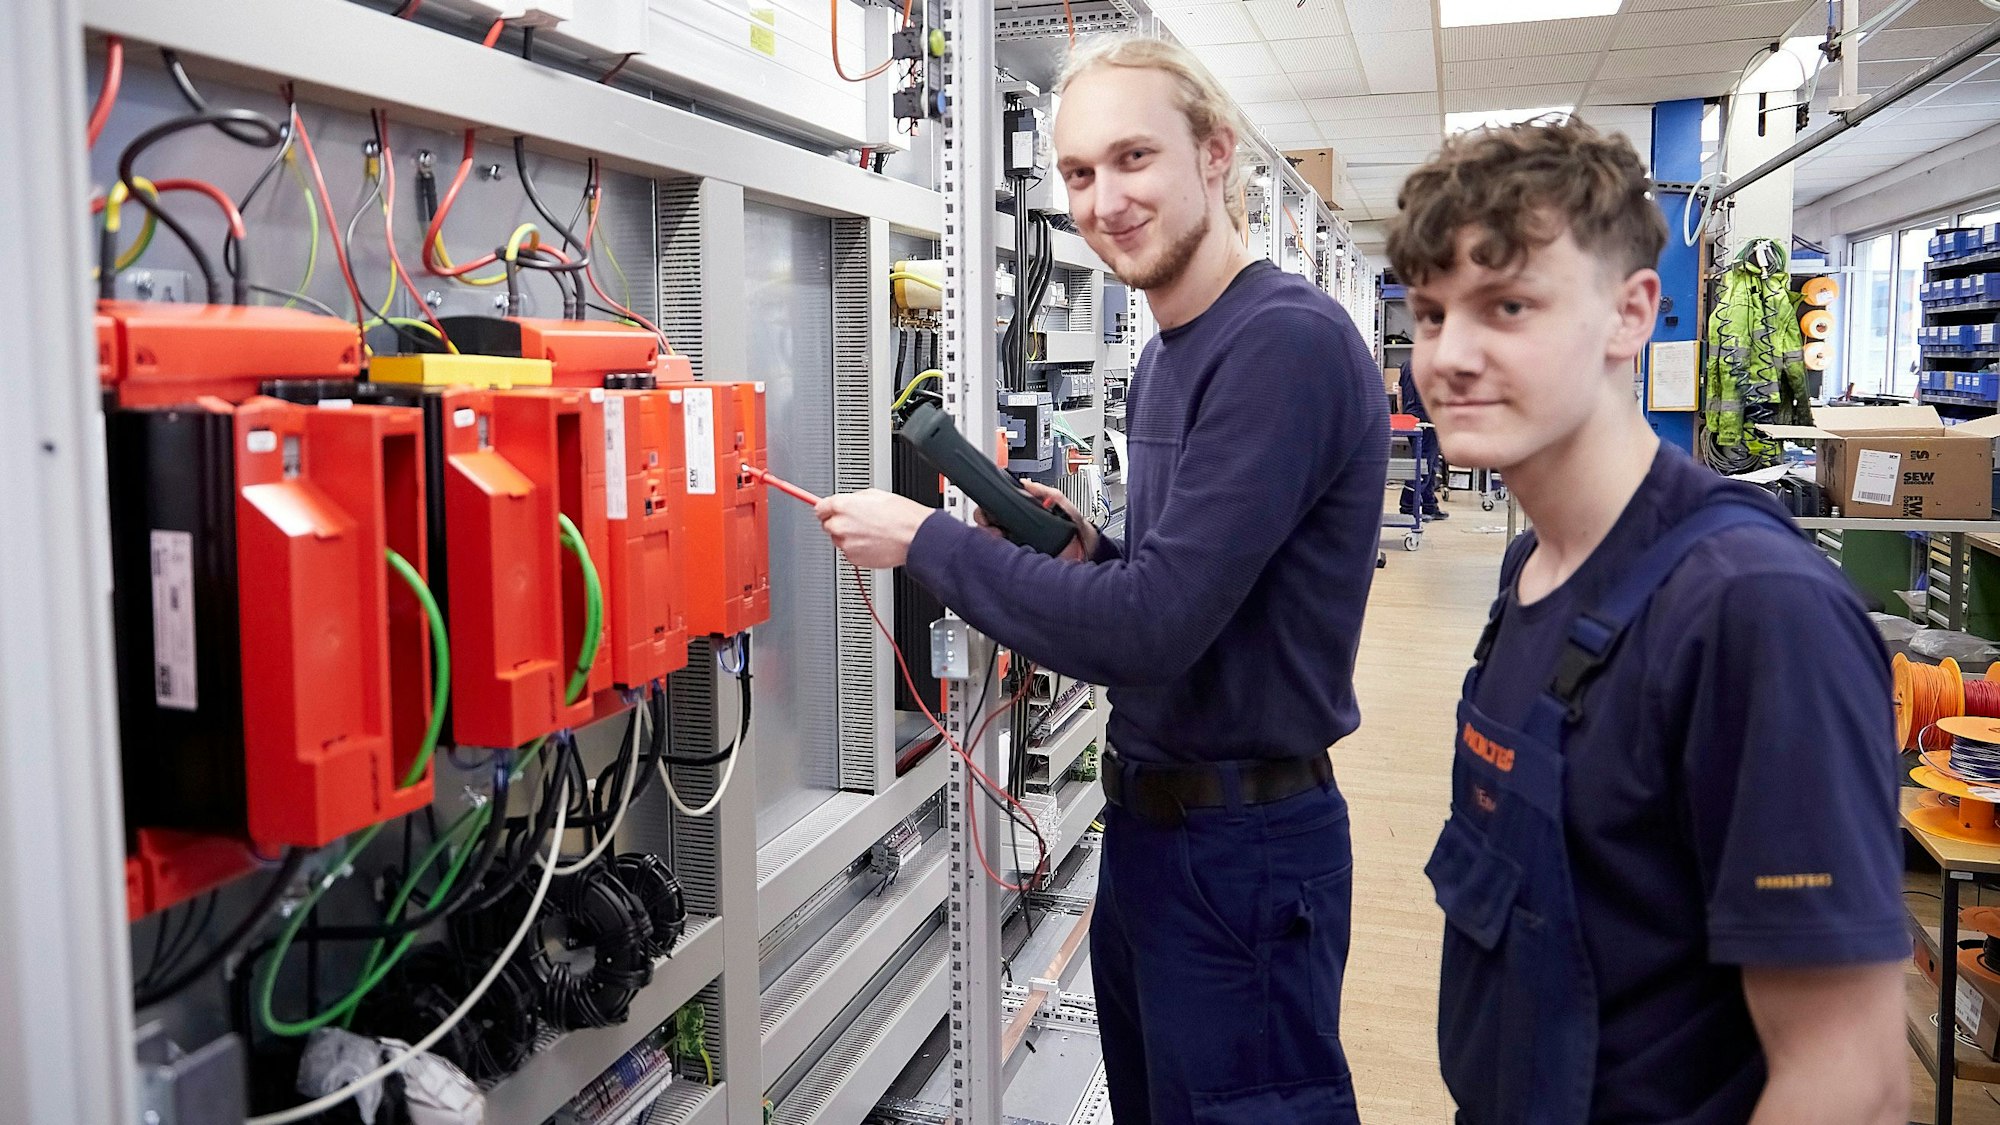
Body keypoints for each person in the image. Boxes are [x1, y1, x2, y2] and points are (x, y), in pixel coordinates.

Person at [814, 34, 1386, 1125]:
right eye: (1077, 172)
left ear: (1213, 154)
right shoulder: (1168, 355)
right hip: (1156, 835)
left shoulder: (1284, 344)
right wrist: (1095, 555)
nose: (1102, 201)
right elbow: (1196, 591)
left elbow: (1148, 631)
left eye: (1133, 158)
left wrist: (927, 544)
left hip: (1243, 850)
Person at [1388, 117, 1907, 1124]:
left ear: (1630, 314)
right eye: (1431, 313)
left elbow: (1849, 1083)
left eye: (1507, 305)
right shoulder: (1531, 572)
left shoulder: (1752, 612)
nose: (1449, 356)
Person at [1397, 360, 1446, 520]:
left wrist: (1405, 418)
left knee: (1430, 464)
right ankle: (1408, 506)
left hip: (1412, 418)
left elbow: (1400, 394)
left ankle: (1429, 505)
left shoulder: (1406, 364)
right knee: (1423, 464)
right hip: (1426, 418)